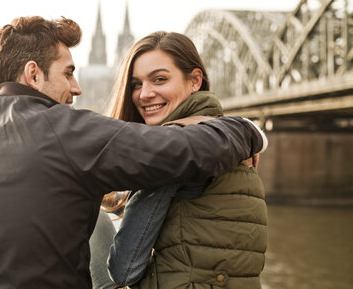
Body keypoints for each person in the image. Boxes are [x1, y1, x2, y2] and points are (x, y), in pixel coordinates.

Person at [0, 17, 266, 289]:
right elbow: (183, 150)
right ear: (33, 75)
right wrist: (249, 130)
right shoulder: (60, 129)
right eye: (68, 73)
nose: (77, 88)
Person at [107, 31, 267, 288]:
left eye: (159, 79)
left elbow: (124, 269)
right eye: (136, 84)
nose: (144, 94)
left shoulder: (178, 147)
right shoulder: (228, 139)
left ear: (195, 81)